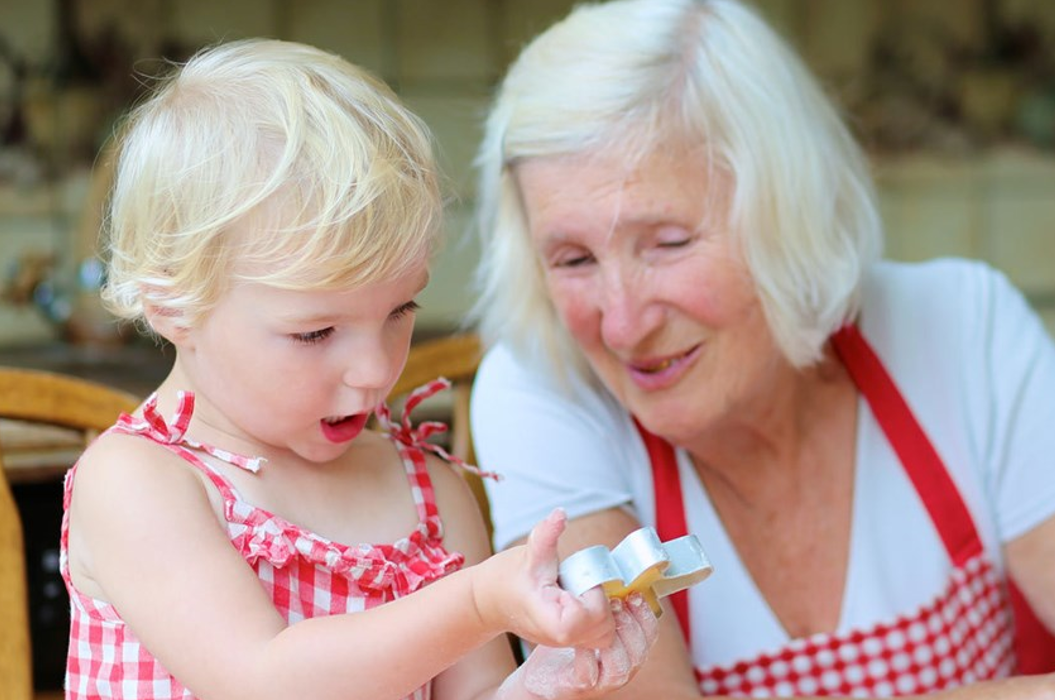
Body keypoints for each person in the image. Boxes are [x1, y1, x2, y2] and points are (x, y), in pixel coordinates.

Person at [467, 1, 1055, 699]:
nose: (619, 325)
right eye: (571, 260)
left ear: (788, 212)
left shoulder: (961, 327)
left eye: (668, 243)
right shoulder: (541, 389)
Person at [61, 39, 658, 700]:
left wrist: (546, 686)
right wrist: (477, 602)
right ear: (173, 304)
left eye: (400, 310)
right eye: (315, 332)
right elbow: (265, 682)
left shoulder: (429, 496)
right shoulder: (138, 482)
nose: (375, 370)